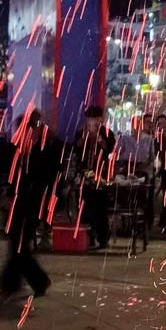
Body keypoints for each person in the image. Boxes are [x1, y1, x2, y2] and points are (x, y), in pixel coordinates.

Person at [0, 111, 63, 300]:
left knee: (19, 245)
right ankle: (27, 282)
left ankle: (21, 282)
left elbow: (49, 179)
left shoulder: (42, 152)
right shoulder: (14, 151)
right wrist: (4, 194)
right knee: (17, 245)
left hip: (32, 204)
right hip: (16, 203)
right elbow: (2, 171)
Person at [74, 105, 115, 248]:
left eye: (95, 119)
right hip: (85, 174)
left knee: (100, 208)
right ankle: (88, 238)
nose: (92, 122)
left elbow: (110, 150)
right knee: (84, 208)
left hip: (101, 176)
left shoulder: (108, 133)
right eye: (90, 119)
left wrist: (99, 140)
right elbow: (76, 148)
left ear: (100, 120)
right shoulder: (81, 133)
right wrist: (85, 138)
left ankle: (103, 238)